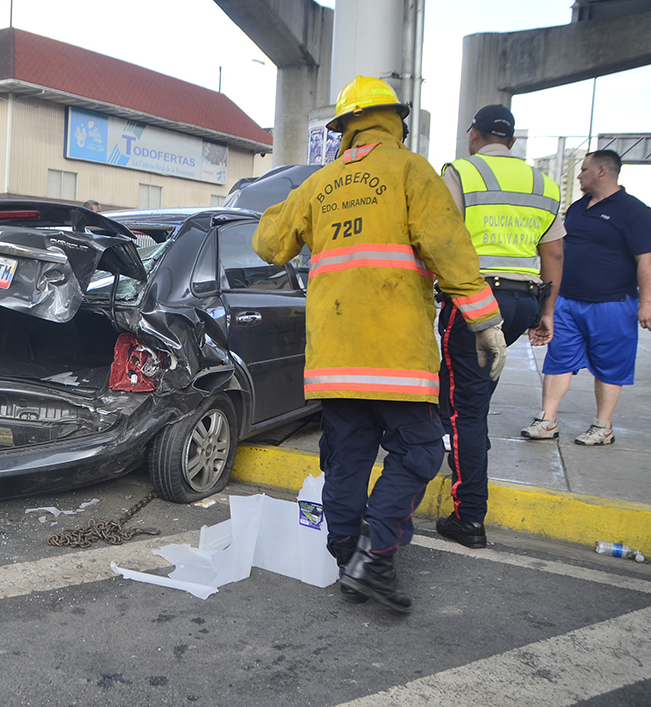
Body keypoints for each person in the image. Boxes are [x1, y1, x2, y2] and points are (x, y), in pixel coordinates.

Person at [253, 75, 505, 613]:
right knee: (417, 450)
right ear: (395, 121)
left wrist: (292, 200)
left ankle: (348, 557)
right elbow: (448, 246)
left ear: (345, 128)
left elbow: (268, 243)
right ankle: (375, 549)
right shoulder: (412, 171)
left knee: (346, 458)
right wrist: (485, 320)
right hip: (396, 356)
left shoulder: (320, 184)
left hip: (334, 358)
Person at [434, 104, 564, 549]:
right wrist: (546, 311)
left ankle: (469, 516)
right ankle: (450, 450)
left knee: (465, 409)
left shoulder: (463, 172)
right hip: (523, 300)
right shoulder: (543, 183)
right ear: (510, 140)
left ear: (476, 134)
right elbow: (554, 255)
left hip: (475, 301)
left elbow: (439, 237)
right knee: (465, 396)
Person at [521, 149, 651, 446]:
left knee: (610, 366)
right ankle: (547, 420)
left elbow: (647, 260)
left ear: (602, 171)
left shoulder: (635, 211)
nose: (578, 175)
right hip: (568, 302)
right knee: (558, 361)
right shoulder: (579, 209)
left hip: (613, 304)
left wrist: (647, 303)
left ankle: (602, 426)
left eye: (583, 170)